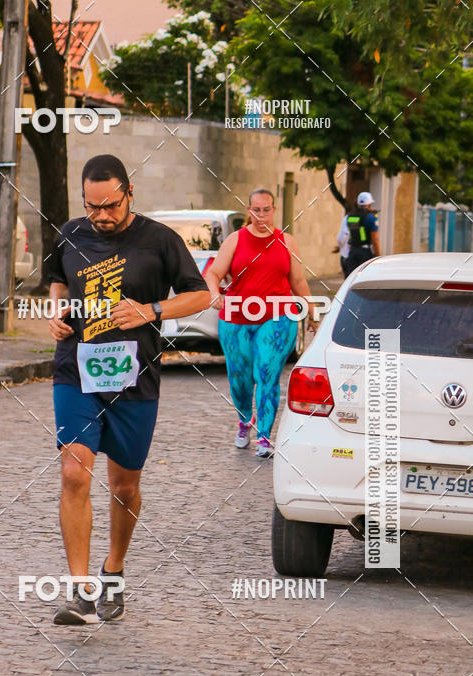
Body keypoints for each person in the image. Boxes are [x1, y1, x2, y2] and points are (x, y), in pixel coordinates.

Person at [47, 154, 210, 626]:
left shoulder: (159, 240)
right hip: (76, 371)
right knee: (74, 472)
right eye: (92, 206)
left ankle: (113, 570)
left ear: (129, 194)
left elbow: (201, 294)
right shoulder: (70, 234)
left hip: (134, 380)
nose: (101, 215)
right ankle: (81, 593)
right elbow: (57, 280)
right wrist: (56, 312)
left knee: (124, 487)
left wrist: (151, 310)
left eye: (110, 206)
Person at [205, 188, 316, 458]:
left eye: (266, 210)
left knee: (267, 373)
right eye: (256, 210)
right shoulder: (235, 239)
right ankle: (245, 420)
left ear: (273, 210)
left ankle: (264, 436)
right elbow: (214, 273)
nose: (261, 215)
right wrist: (214, 293)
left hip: (278, 317)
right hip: (236, 317)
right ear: (249, 210)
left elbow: (298, 281)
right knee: (240, 379)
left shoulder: (287, 241)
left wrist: (312, 312)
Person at [344, 191, 381, 276]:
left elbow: (347, 234)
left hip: (352, 251)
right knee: (365, 278)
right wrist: (378, 257)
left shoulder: (349, 216)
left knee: (352, 278)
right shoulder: (371, 218)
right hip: (365, 253)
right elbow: (375, 240)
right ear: (369, 204)